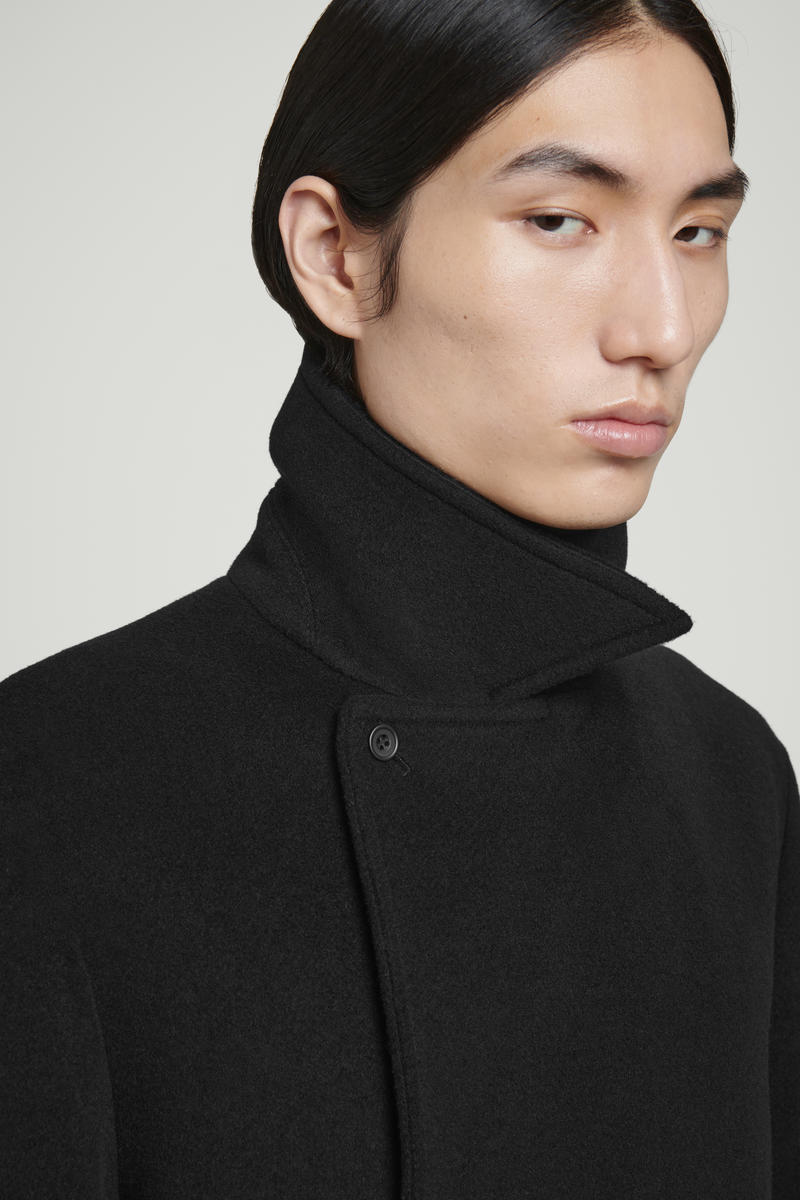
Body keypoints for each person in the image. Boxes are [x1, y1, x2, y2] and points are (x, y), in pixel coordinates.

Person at [1, 0, 797, 1196]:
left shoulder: (729, 779)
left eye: (696, 231)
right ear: (336, 255)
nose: (662, 328)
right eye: (558, 219)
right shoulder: (51, 788)